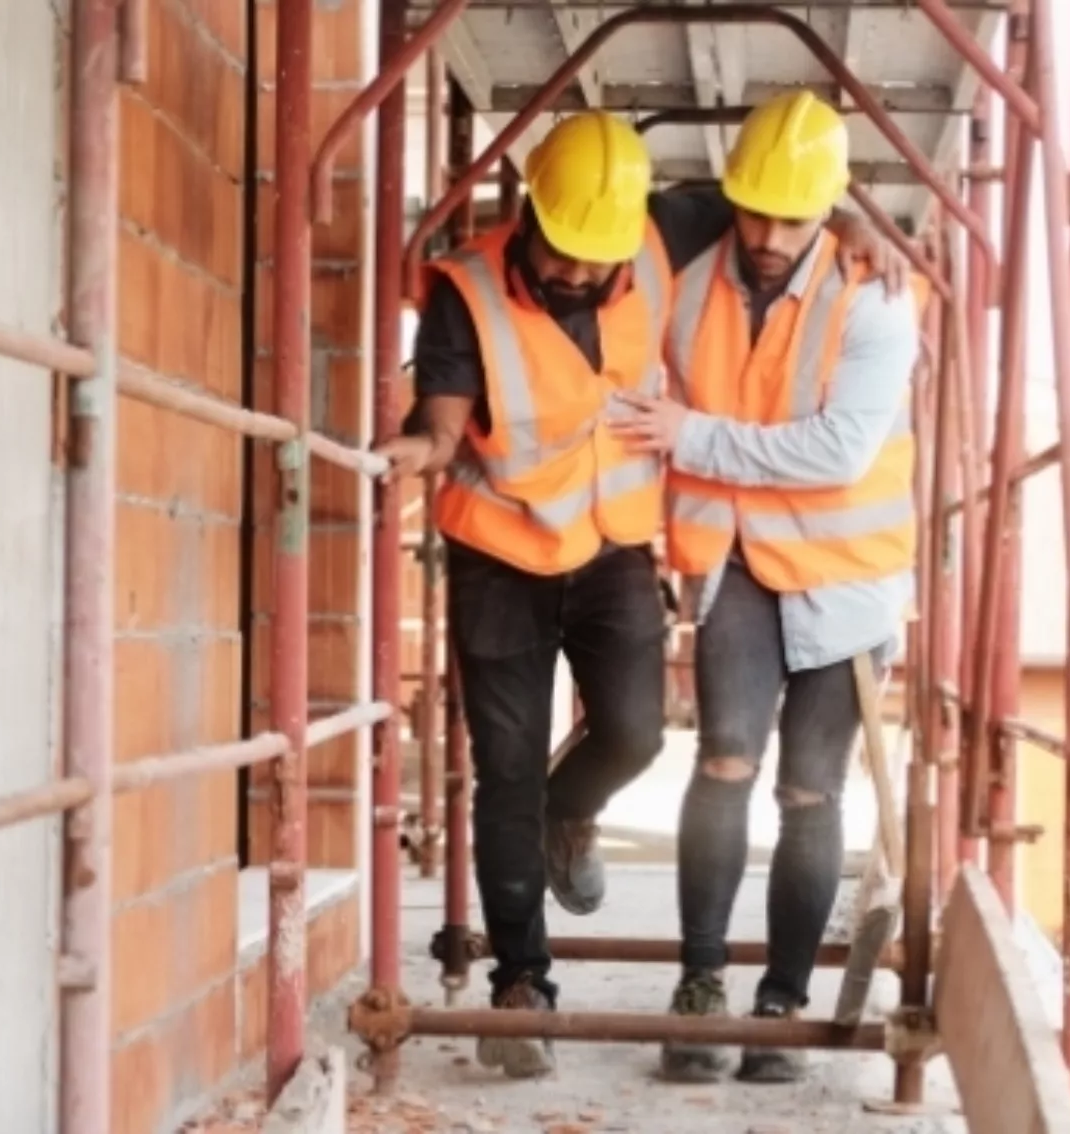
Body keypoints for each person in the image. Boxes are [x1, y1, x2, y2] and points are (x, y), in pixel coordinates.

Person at [374, 109, 908, 1081]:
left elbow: (791, 209)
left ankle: (571, 818)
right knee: (506, 771)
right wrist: (425, 443)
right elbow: (444, 406)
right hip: (501, 550)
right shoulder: (473, 288)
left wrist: (863, 221)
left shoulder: (677, 234)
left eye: (600, 256)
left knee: (641, 736)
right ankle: (522, 989)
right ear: (530, 210)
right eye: (565, 252)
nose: (582, 273)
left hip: (632, 547)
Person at [607, 89, 927, 1085]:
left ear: (832, 208)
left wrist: (689, 436)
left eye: (794, 218)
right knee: (726, 764)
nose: (770, 235)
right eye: (755, 212)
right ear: (729, 197)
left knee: (808, 789)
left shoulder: (874, 299)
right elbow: (606, 236)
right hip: (739, 557)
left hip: (846, 578)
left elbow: (837, 449)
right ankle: (700, 983)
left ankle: (780, 1001)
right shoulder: (694, 257)